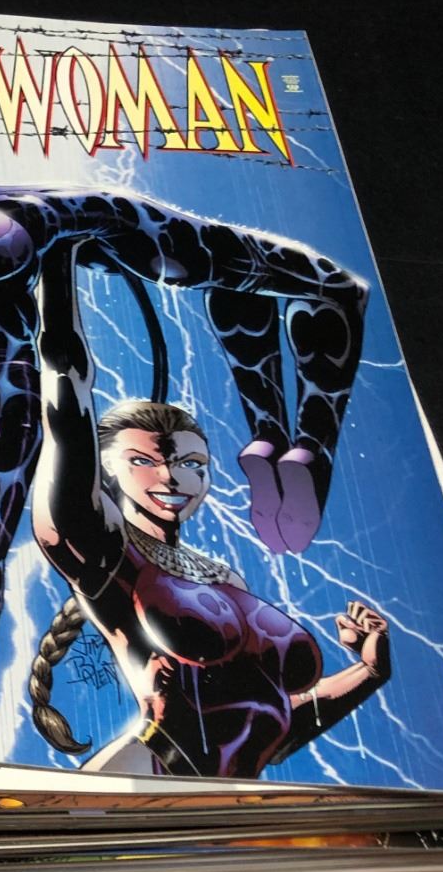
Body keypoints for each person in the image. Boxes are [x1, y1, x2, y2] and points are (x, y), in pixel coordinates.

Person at [0, 182, 369, 669]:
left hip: (115, 229)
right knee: (293, 286)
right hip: (115, 235)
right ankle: (295, 444)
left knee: (315, 287)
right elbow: (16, 428)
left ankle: (290, 443)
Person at [27, 240, 390, 779]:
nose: (171, 477)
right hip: (150, 778)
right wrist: (57, 261)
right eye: (143, 461)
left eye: (191, 463)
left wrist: (369, 672)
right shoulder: (102, 552)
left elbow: (266, 724)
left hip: (221, 799)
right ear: (103, 473)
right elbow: (65, 387)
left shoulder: (221, 576)